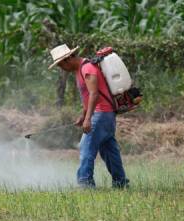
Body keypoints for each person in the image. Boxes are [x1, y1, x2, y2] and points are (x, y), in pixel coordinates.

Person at [48, 44, 129, 188]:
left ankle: (86, 184)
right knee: (110, 151)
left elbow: (94, 94)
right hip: (106, 115)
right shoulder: (80, 70)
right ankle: (120, 183)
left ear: (68, 59)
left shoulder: (87, 68)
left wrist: (88, 119)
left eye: (61, 65)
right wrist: (83, 115)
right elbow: (87, 97)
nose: (62, 69)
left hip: (101, 114)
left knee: (86, 148)